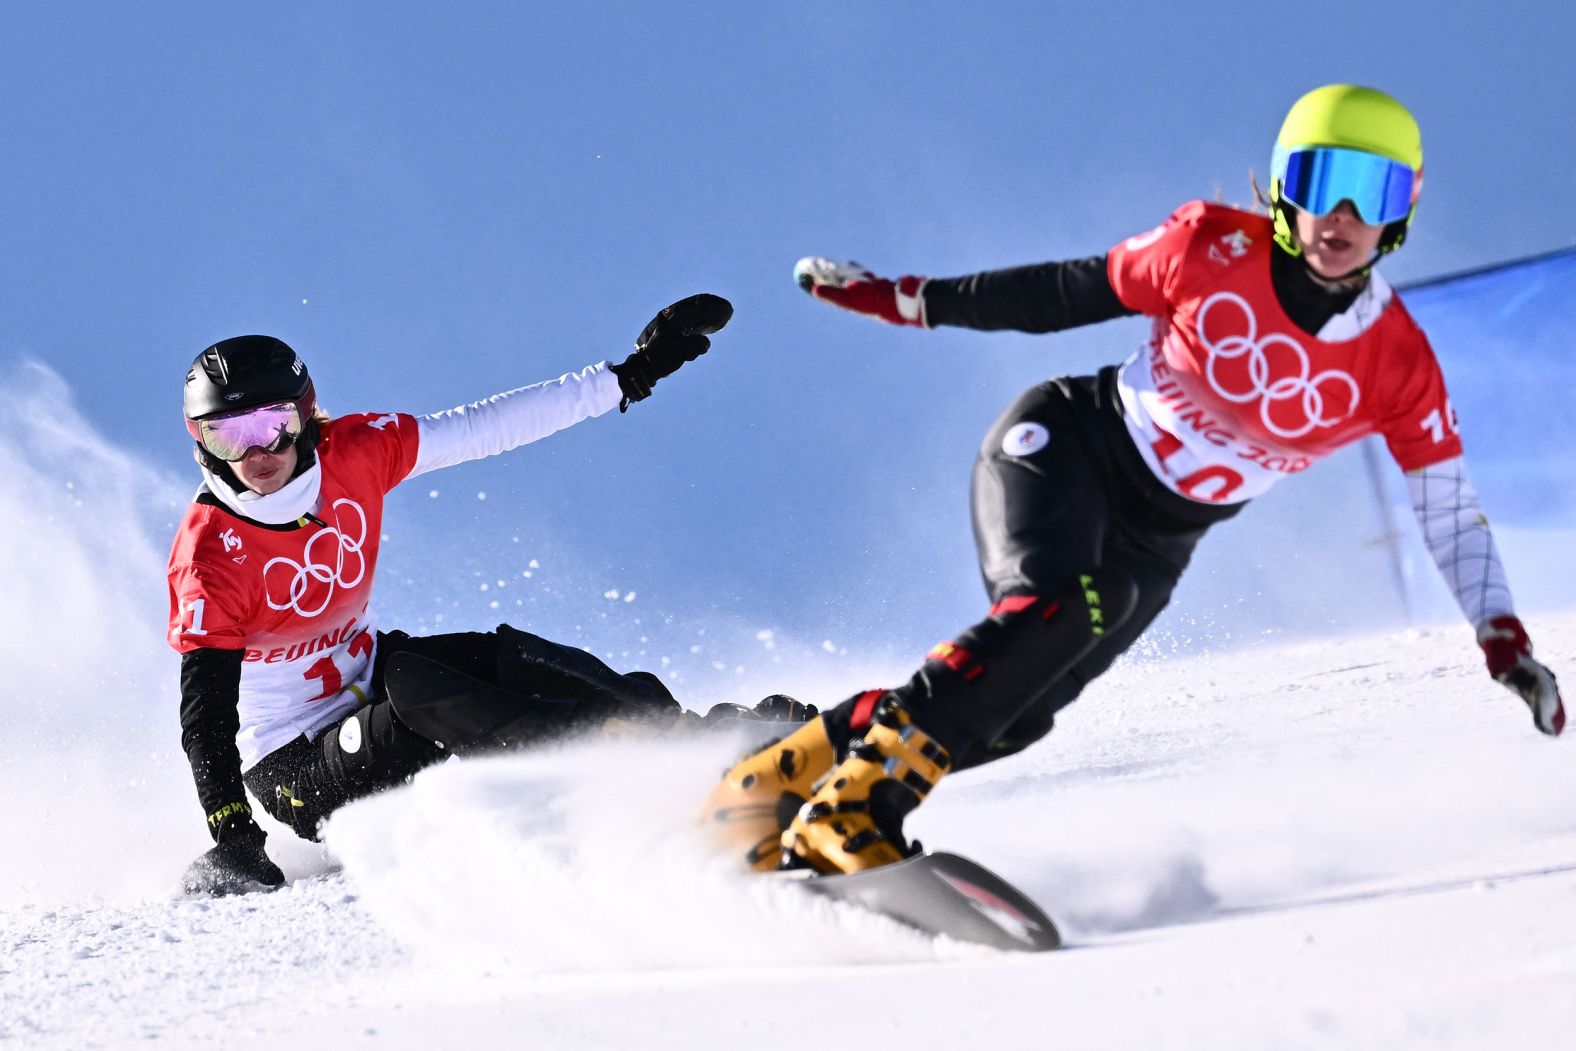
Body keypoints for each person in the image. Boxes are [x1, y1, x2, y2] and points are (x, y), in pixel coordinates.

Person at [700, 84, 1566, 875]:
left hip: (1159, 546)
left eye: (1370, 194)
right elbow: (1062, 291)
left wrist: (1505, 642)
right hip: (1069, 447)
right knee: (1058, 609)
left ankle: (771, 779)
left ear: (1400, 214)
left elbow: (1450, 513)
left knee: (1011, 712)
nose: (1338, 215)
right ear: (1279, 190)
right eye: (1320, 180)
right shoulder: (1209, 246)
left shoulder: (1398, 363)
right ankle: (854, 809)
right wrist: (906, 298)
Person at [171, 294, 768, 895]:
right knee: (416, 685)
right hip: (299, 767)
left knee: (497, 657)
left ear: (305, 415)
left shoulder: (356, 452)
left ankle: (685, 736)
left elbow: (484, 427)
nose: (257, 454)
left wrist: (629, 377)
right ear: (200, 440)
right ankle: (618, 778)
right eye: (229, 435)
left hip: (378, 680)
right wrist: (234, 839)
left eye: (273, 426)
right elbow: (207, 715)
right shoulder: (211, 555)